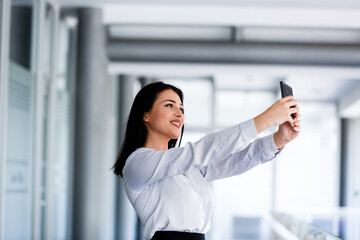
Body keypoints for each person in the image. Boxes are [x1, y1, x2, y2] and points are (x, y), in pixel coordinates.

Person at [113, 81, 301, 240]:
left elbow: (234, 160)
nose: (179, 113)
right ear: (146, 115)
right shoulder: (137, 163)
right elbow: (206, 149)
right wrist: (266, 119)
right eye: (169, 105)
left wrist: (279, 139)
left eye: (181, 108)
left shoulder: (186, 168)